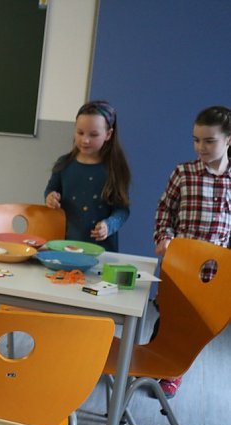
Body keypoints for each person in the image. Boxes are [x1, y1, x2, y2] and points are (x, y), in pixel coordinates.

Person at [150, 105, 231, 398]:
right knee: (171, 317)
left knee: (198, 325)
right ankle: (159, 365)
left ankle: (174, 368)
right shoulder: (183, 173)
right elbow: (165, 210)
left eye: (209, 141)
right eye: (196, 140)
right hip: (180, 266)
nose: (201, 147)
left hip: (215, 272)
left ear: (228, 141)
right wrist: (164, 236)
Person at [44, 100, 131, 252]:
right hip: (64, 246)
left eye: (94, 134)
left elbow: (122, 210)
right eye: (80, 132)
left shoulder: (115, 169)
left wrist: (108, 225)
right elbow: (51, 190)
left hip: (100, 251)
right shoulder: (64, 163)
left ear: (108, 134)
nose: (85, 140)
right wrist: (50, 197)